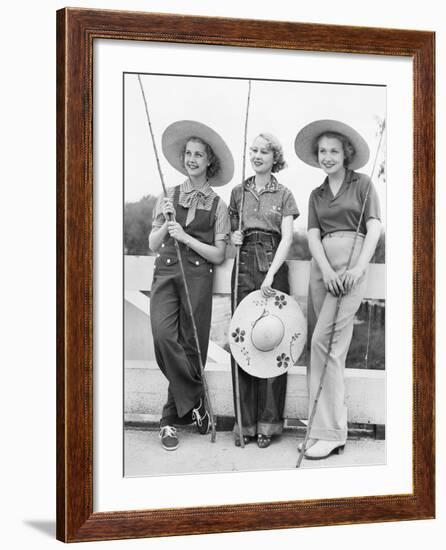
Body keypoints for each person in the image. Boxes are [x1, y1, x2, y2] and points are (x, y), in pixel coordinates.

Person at [294, 119, 382, 459]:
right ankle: (319, 430)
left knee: (324, 344)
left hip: (351, 267)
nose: (327, 156)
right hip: (323, 269)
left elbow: (373, 229)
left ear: (346, 154)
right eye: (322, 151)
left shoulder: (363, 184)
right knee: (320, 348)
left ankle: (333, 432)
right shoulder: (316, 194)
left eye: (333, 150)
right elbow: (313, 236)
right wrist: (327, 270)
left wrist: (358, 267)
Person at [149, 120, 233, 451]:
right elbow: (154, 243)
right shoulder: (167, 195)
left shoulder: (219, 206)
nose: (192, 159)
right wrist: (166, 222)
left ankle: (169, 421)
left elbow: (219, 253)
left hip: (198, 277)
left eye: (199, 154)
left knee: (190, 346)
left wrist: (185, 236)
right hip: (166, 273)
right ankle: (197, 399)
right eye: (188, 153)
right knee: (162, 336)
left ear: (209, 161)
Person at [229, 133, 299, 448]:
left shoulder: (284, 194)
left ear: (275, 158)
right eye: (253, 150)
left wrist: (271, 273)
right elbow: (230, 231)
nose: (257, 155)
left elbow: (287, 238)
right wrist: (234, 238)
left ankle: (268, 425)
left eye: (264, 151)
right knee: (242, 340)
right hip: (243, 263)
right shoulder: (237, 193)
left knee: (274, 338)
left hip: (273, 262)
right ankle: (244, 424)